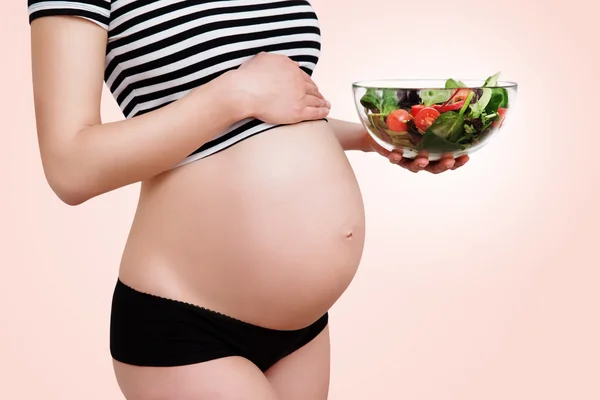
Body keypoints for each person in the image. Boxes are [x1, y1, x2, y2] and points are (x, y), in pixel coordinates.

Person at [27, 0, 469, 399]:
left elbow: (260, 124)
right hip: (189, 322)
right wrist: (234, 93)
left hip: (303, 329)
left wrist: (378, 138)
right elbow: (70, 166)